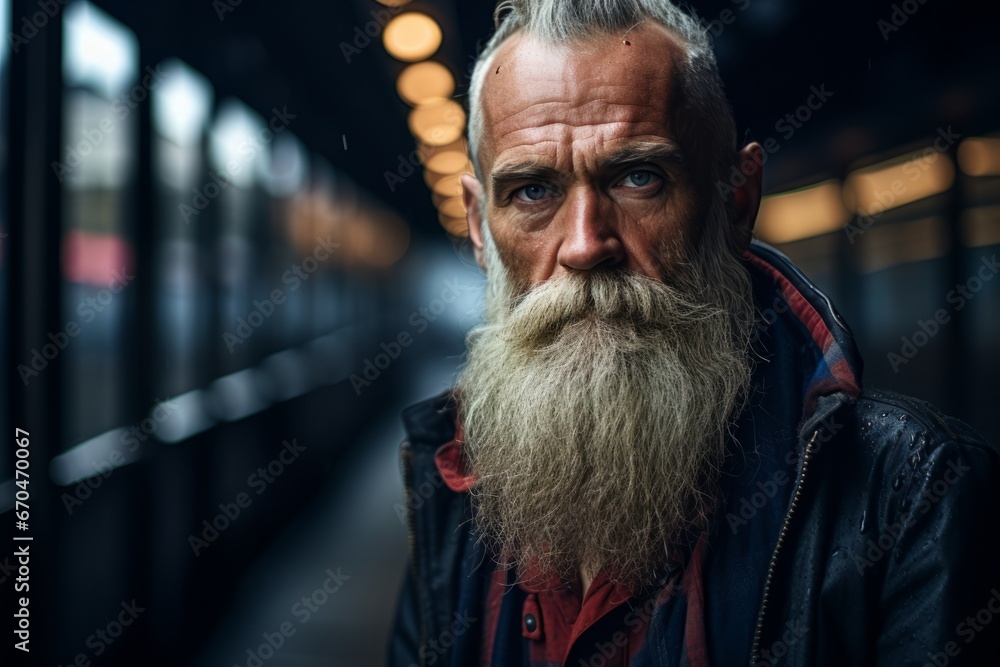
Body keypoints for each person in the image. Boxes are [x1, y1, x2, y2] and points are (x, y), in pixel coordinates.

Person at [388, 1, 1000, 665]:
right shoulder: (453, 491)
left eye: (638, 177)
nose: (586, 245)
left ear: (736, 201)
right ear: (480, 229)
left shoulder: (916, 496)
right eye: (534, 191)